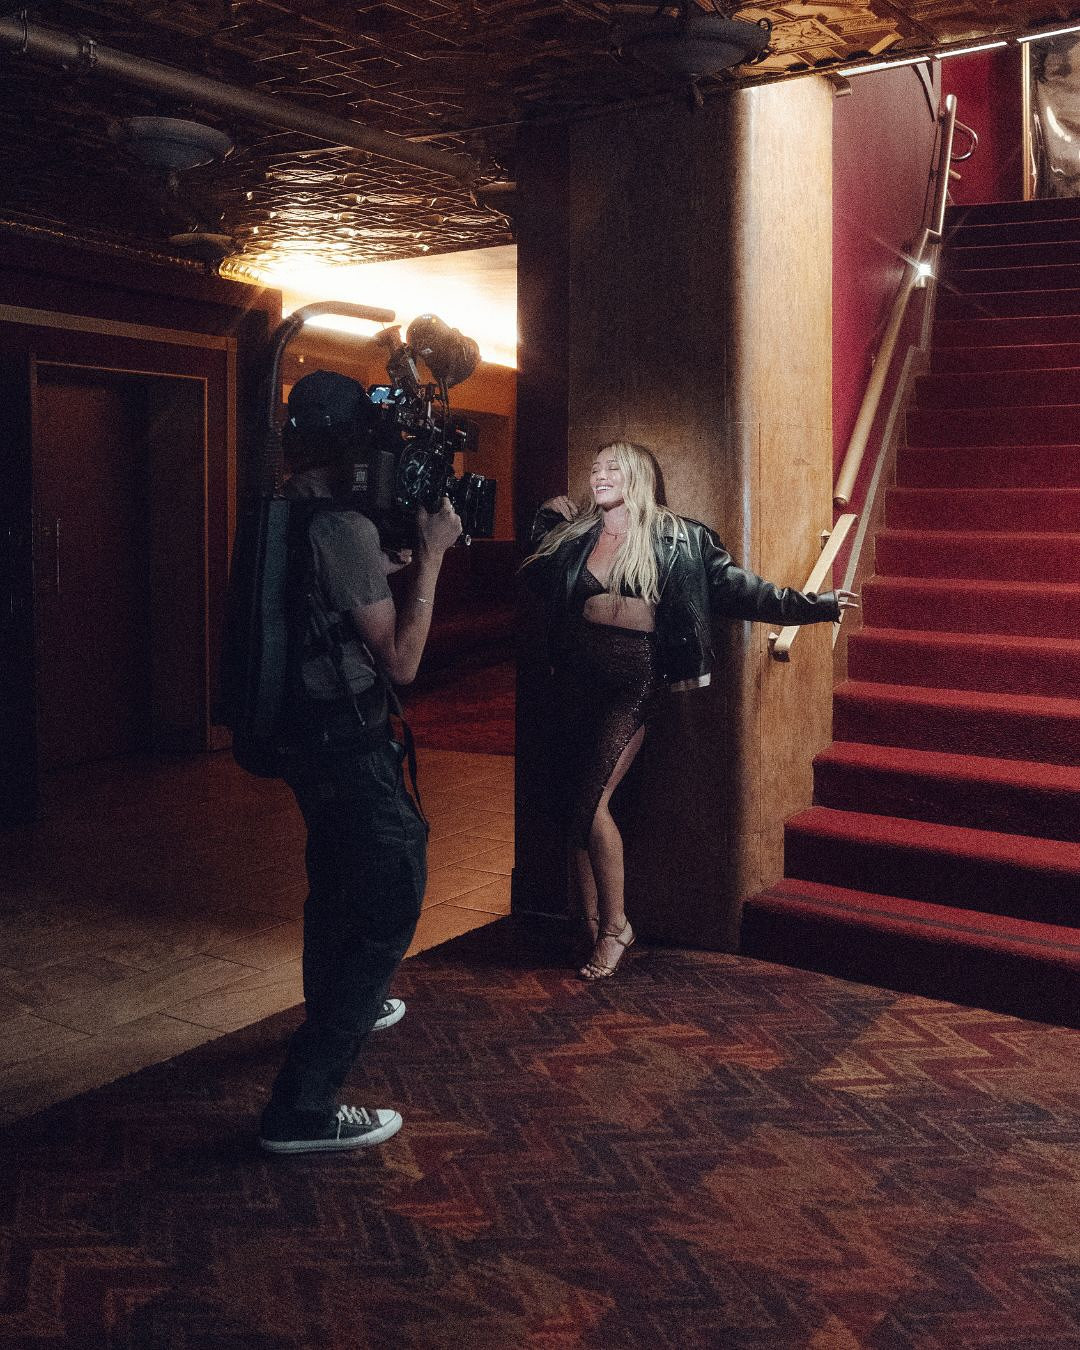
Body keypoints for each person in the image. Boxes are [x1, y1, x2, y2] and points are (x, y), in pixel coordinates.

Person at [524, 441, 857, 980]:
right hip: (576, 683)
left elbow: (739, 590)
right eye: (595, 467)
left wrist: (809, 606)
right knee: (573, 804)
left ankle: (616, 928)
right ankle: (588, 920)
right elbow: (537, 575)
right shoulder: (577, 535)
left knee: (591, 802)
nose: (598, 474)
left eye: (612, 467)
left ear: (638, 475)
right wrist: (545, 516)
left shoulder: (680, 537)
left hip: (633, 684)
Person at [257, 370, 462, 1155]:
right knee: (391, 891)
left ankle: (337, 1006)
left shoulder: (286, 509)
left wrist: (386, 567)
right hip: (345, 742)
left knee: (336, 881)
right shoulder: (341, 527)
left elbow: (323, 598)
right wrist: (433, 557)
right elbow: (402, 662)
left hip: (303, 734)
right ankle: (304, 1107)